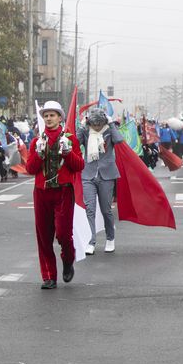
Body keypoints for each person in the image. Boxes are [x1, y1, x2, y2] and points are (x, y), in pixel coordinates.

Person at [26, 101, 84, 289]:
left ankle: (68, 260)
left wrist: (67, 153)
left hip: (63, 191)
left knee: (63, 234)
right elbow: (30, 169)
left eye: (52, 115)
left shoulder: (70, 139)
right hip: (42, 192)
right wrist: (39, 154)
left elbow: (79, 166)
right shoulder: (37, 141)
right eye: (46, 115)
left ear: (60, 118)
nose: (48, 118)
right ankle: (49, 276)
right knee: (44, 236)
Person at [77, 108, 124, 255]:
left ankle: (110, 239)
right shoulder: (86, 131)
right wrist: (82, 125)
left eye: (99, 124)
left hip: (106, 175)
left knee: (106, 210)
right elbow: (75, 142)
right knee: (90, 209)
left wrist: (111, 124)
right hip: (88, 174)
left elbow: (119, 140)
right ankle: (90, 241)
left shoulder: (109, 131)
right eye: (93, 124)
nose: (96, 127)